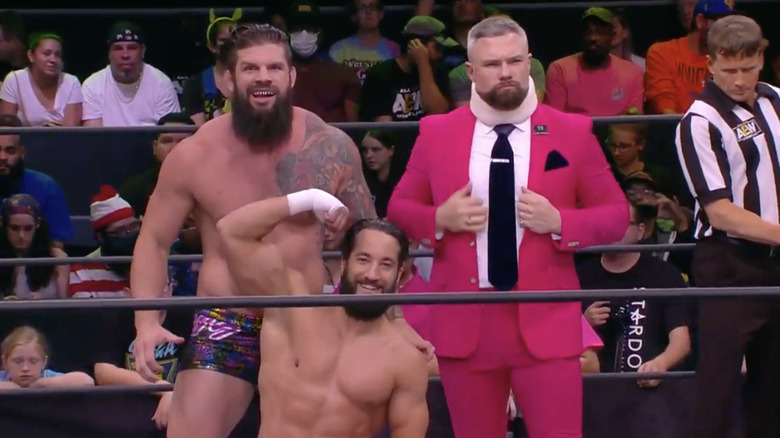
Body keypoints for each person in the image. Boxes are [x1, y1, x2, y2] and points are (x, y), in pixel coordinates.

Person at [129, 23, 379, 438]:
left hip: (306, 318)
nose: (263, 76)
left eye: (274, 68)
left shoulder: (330, 145)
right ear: (227, 80)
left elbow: (370, 236)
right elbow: (154, 241)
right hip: (226, 318)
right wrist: (145, 322)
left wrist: (388, 321)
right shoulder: (195, 155)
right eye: (250, 68)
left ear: (291, 76)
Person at [387, 16, 629, 438]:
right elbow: (399, 208)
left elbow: (616, 216)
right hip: (466, 321)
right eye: (493, 63)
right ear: (471, 71)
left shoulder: (572, 131)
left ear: (529, 62)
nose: (505, 72)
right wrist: (438, 220)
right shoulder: (437, 131)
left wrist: (560, 222)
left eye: (514, 61)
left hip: (546, 320)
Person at [216, 189, 429, 437]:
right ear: (344, 263)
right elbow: (231, 231)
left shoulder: (405, 362)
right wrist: (310, 198)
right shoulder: (292, 308)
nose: (372, 274)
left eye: (385, 264)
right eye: (363, 259)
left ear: (399, 275)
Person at [674, 15, 780, 438]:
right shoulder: (698, 122)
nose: (739, 80)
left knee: (773, 385)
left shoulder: (775, 100)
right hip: (729, 262)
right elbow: (718, 211)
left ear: (762, 59)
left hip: (775, 262)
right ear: (710, 64)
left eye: (748, 68)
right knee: (717, 383)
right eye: (730, 69)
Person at [0, 194, 68, 299]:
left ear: (37, 223)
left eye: (28, 228)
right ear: (3, 224)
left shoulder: (57, 259)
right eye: (14, 228)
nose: (21, 236)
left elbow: (65, 306)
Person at [0, 325, 94, 390]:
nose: (25, 368)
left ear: (44, 362)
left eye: (33, 361)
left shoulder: (48, 377)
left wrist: (41, 384)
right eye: (18, 361)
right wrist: (11, 388)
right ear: (5, 362)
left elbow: (86, 381)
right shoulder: (2, 377)